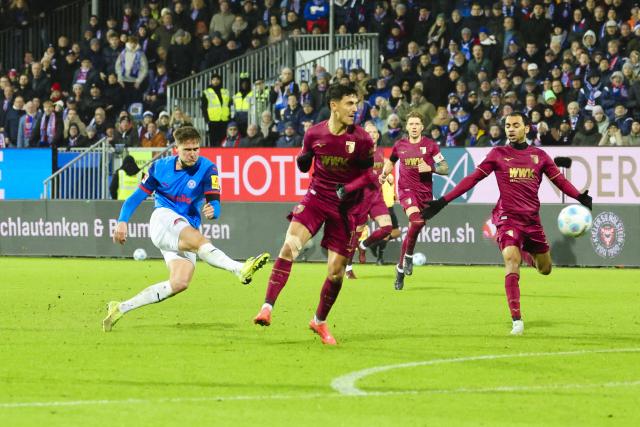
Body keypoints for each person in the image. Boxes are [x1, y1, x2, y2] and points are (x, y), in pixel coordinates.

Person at [422, 112, 592, 335]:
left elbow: (559, 181)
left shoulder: (539, 156)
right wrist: (443, 201)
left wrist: (580, 197)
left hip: (532, 221)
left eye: (515, 125)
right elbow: (471, 179)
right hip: (507, 218)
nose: (511, 129)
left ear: (526, 128)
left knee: (546, 269)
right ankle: (517, 320)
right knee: (511, 259)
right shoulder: (498, 154)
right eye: (508, 126)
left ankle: (528, 254)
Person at [103, 126, 270, 331]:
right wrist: (122, 221)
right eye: (187, 150)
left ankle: (120, 308)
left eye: (196, 149)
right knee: (200, 242)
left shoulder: (209, 169)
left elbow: (215, 204)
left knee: (180, 282)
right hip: (163, 219)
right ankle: (239, 268)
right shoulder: (159, 167)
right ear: (176, 149)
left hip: (186, 224)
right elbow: (135, 198)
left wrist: (213, 212)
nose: (193, 154)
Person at [252, 85, 374, 345]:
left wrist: (349, 188)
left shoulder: (362, 139)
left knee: (335, 273)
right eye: (350, 103)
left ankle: (319, 322)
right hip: (317, 199)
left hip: (345, 208)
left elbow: (368, 175)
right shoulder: (314, 133)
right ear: (334, 105)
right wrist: (302, 160)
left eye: (357, 103)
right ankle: (266, 308)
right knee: (289, 247)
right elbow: (304, 162)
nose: (355, 108)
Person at [379, 112, 449, 290]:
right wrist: (385, 173)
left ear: (422, 127)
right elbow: (391, 161)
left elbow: (445, 168)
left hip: (425, 194)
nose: (414, 127)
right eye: (411, 124)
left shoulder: (430, 145)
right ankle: (408, 257)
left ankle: (400, 269)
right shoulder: (400, 145)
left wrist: (431, 168)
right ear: (407, 127)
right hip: (406, 191)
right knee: (415, 221)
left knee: (414, 228)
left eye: (417, 123)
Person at [340, 121, 397, 279]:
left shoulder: (379, 151)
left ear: (378, 135)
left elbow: (381, 166)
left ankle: (364, 245)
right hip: (361, 198)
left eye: (374, 132)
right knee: (355, 235)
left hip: (376, 197)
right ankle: (348, 268)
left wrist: (388, 175)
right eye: (368, 132)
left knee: (387, 228)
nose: (371, 134)